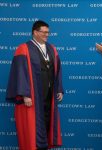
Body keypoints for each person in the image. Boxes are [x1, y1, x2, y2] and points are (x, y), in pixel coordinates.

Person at [6, 20, 64, 150]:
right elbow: (20, 72)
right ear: (35, 32)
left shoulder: (52, 48)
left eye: (48, 32)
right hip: (32, 96)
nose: (47, 35)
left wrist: (59, 89)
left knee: (47, 123)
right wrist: (24, 94)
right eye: (44, 32)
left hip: (48, 96)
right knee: (32, 128)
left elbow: (58, 69)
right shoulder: (24, 48)